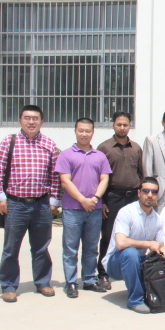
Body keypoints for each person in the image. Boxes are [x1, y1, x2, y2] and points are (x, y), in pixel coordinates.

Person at [0, 105, 61, 302]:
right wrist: (0, 197)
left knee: (41, 247)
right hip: (15, 205)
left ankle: (43, 282)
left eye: (35, 118)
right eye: (27, 118)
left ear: (42, 122)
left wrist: (54, 200)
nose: (31, 122)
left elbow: (55, 176)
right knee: (11, 248)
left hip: (41, 205)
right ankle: (8, 285)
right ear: (20, 120)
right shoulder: (9, 142)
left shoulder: (49, 144)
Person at [103, 177, 165, 314]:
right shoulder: (126, 212)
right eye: (146, 191)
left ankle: (158, 293)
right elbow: (121, 243)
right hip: (115, 263)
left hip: (138, 261)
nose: (150, 195)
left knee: (163, 260)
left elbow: (161, 247)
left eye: (154, 192)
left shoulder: (157, 219)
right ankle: (135, 300)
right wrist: (149, 244)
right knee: (131, 253)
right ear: (139, 193)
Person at [55, 117, 112, 298]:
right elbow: (65, 181)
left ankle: (89, 279)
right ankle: (71, 283)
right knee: (70, 248)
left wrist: (95, 199)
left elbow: (104, 179)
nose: (84, 134)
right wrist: (82, 199)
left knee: (91, 247)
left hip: (94, 209)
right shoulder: (66, 155)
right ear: (75, 131)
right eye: (81, 130)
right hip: (73, 209)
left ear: (93, 132)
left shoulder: (100, 156)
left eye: (88, 131)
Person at [97, 111, 144, 290]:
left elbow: (141, 173)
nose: (122, 128)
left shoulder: (136, 148)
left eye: (125, 125)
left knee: (133, 235)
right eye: (119, 124)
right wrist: (102, 201)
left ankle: (131, 269)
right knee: (109, 235)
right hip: (113, 197)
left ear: (129, 126)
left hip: (133, 197)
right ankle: (103, 273)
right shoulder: (104, 148)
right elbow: (99, 177)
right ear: (113, 125)